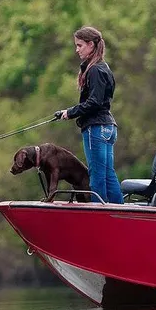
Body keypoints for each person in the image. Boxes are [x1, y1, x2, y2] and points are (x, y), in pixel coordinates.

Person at [56, 26, 124, 204]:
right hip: (108, 128)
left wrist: (70, 113)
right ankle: (120, 212)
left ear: (91, 45)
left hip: (96, 129)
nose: (77, 49)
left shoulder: (94, 70)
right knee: (108, 174)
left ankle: (99, 212)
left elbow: (94, 103)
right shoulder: (104, 68)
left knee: (97, 175)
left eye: (80, 45)